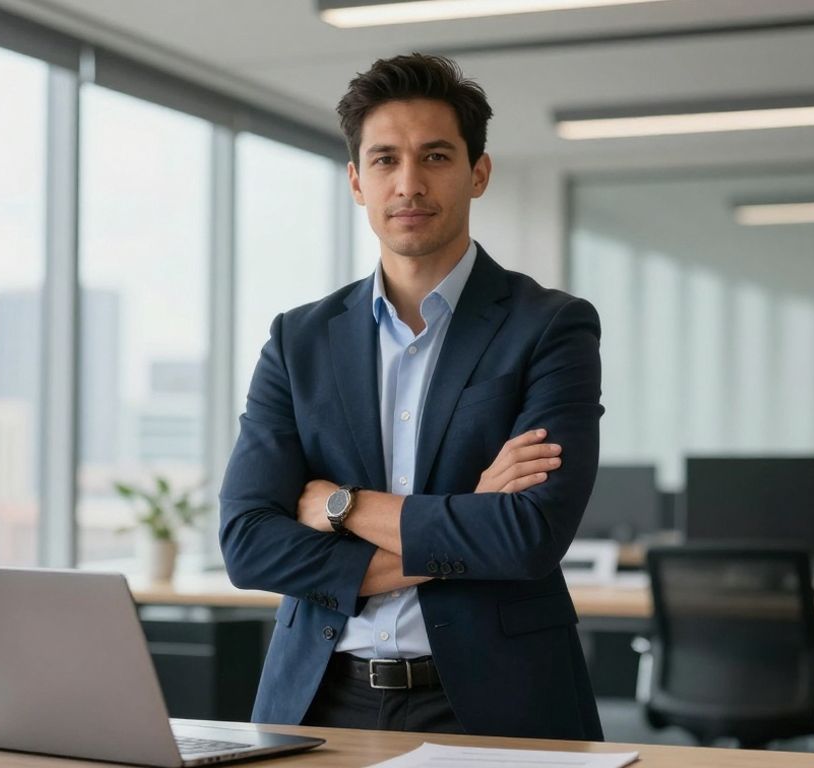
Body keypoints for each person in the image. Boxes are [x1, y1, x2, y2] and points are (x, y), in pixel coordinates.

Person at [219, 52, 604, 740]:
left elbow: (527, 537)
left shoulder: (549, 326)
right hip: (317, 699)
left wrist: (342, 506)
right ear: (356, 182)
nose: (408, 183)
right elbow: (248, 544)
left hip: (498, 703)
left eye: (434, 157)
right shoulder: (298, 339)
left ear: (477, 172)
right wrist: (469, 523)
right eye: (385, 160)